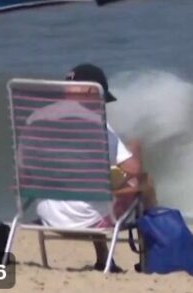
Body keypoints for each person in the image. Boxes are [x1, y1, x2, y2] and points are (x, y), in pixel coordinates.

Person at [33, 64, 155, 272]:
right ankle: (150, 255)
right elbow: (134, 169)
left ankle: (103, 258)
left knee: (93, 188)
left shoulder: (37, 120)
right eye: (101, 98)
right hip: (86, 221)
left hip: (47, 215)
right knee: (144, 181)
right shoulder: (97, 125)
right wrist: (133, 151)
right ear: (90, 91)